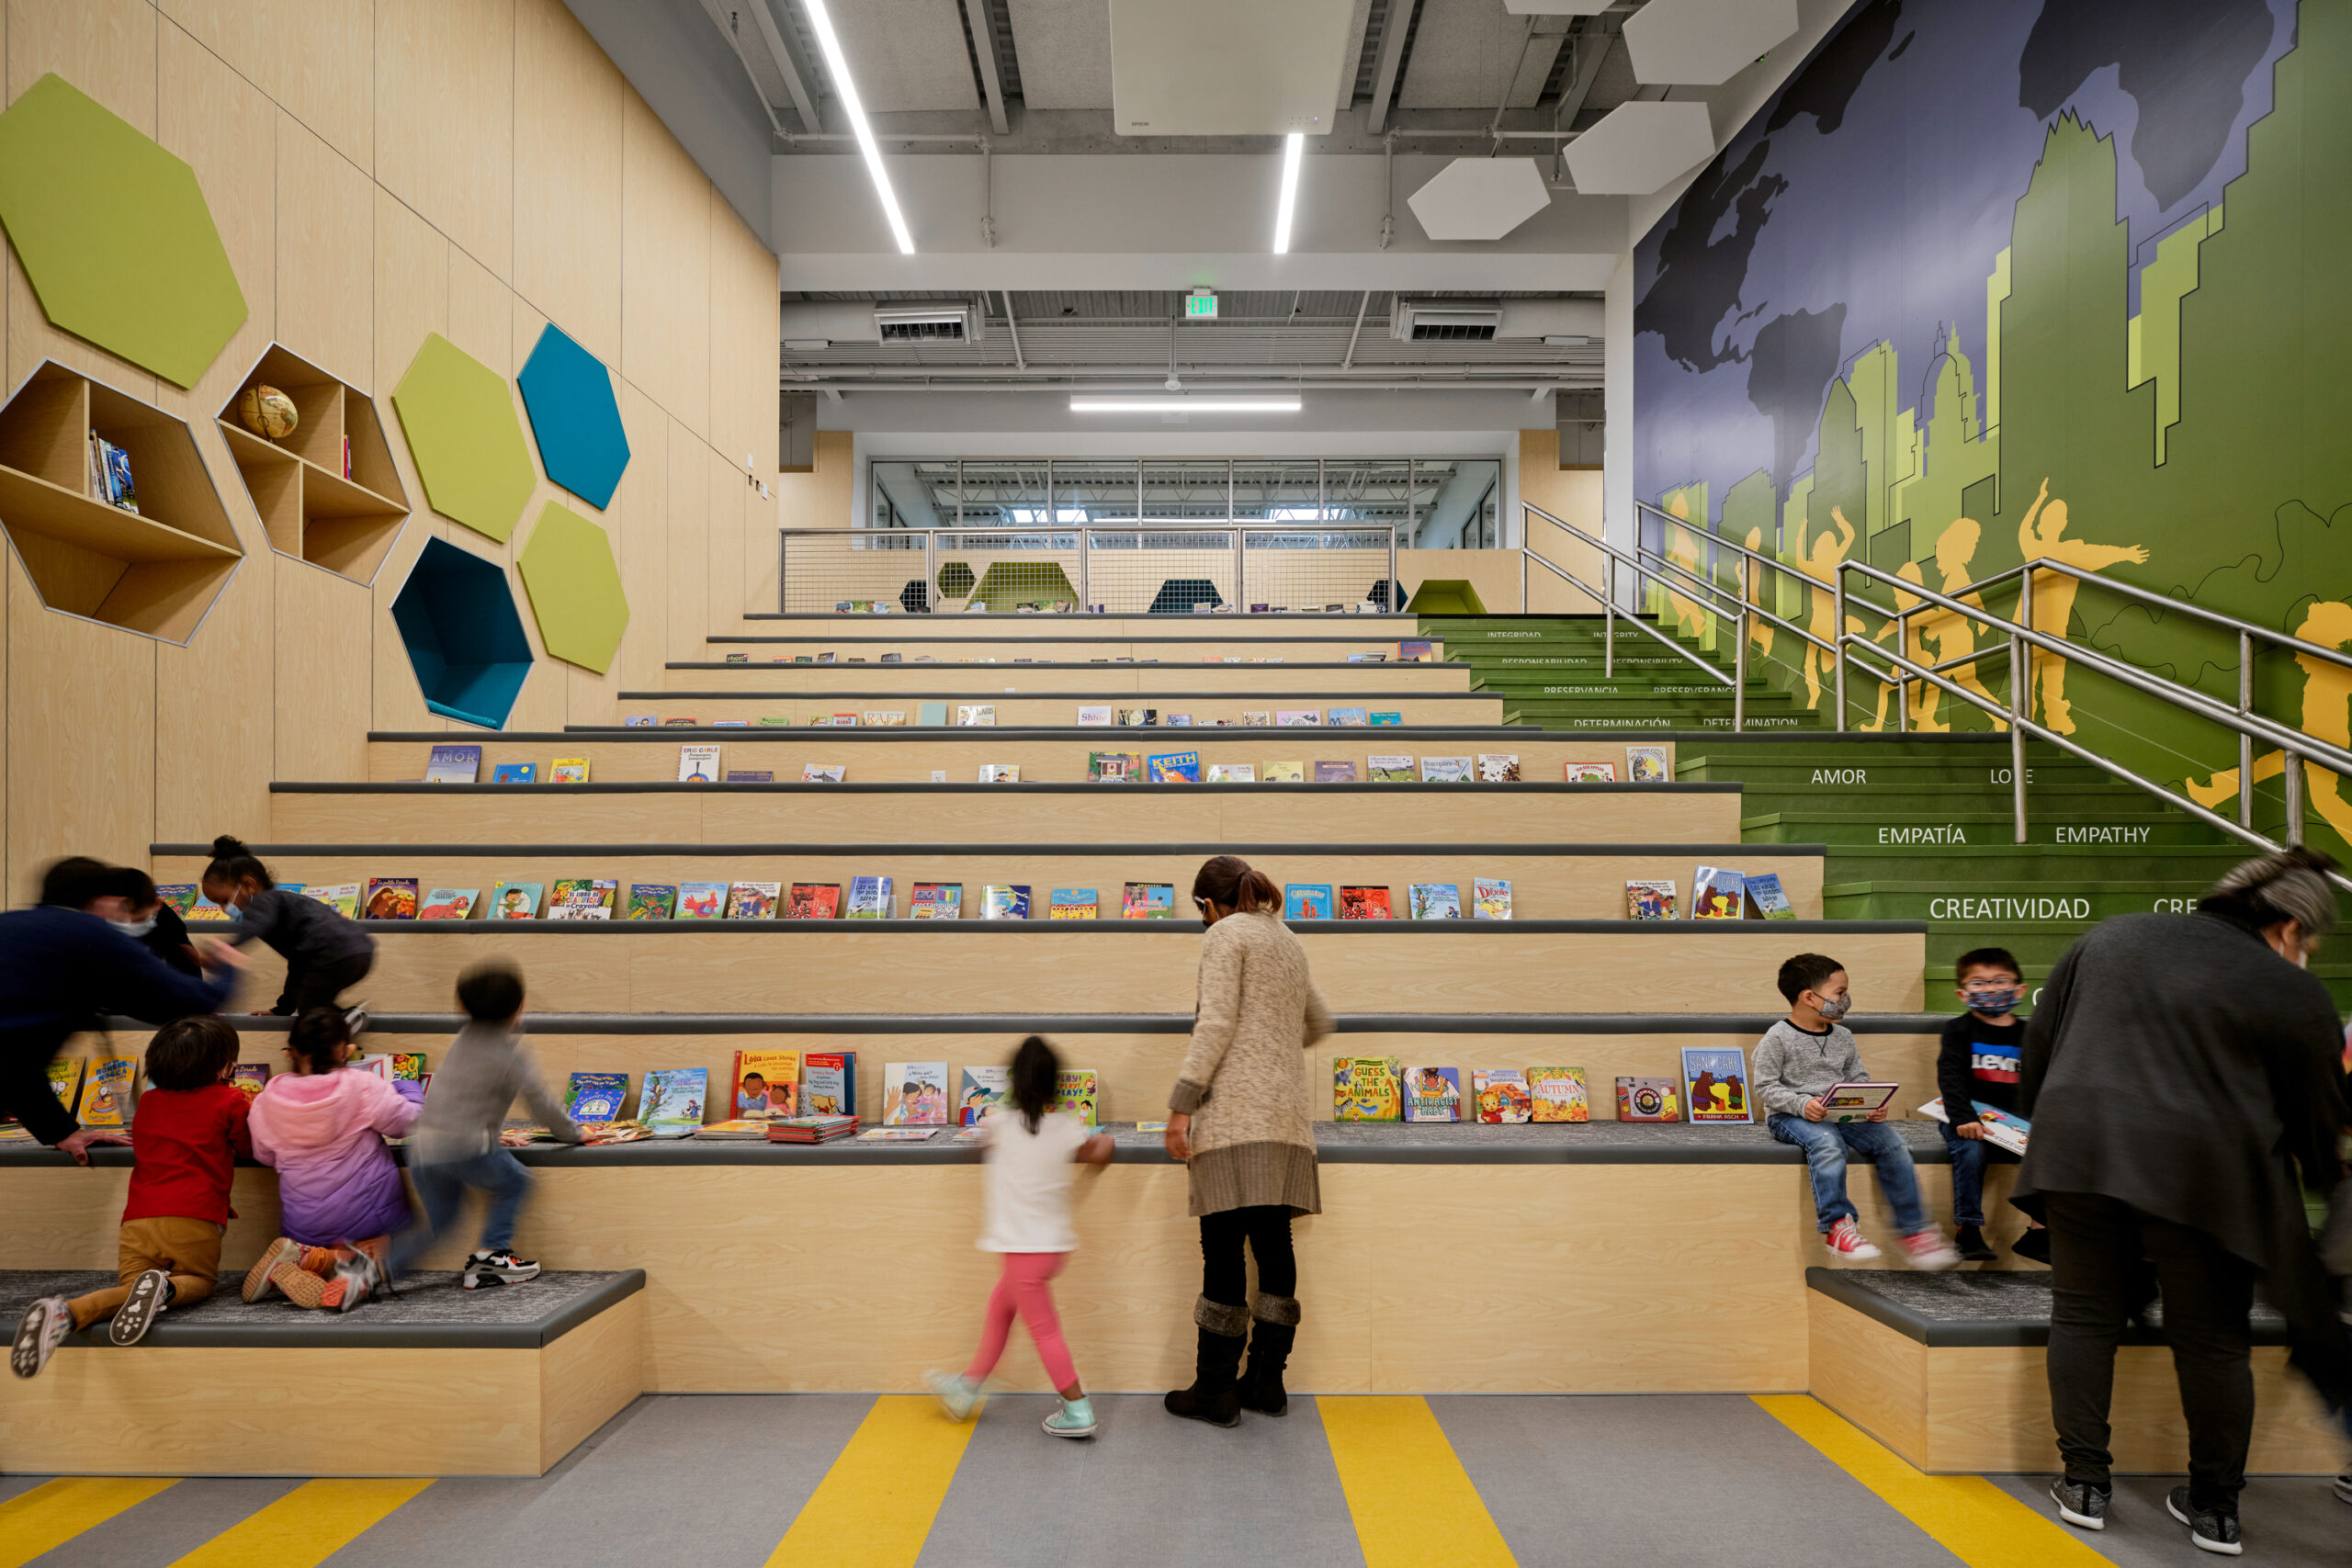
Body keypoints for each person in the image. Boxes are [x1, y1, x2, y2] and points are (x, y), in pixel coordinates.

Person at [2020, 848, 2352, 1553]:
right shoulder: (2294, 993)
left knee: (2083, 1314)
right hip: (2208, 1181)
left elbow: (2038, 1055)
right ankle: (2215, 1508)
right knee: (2213, 1341)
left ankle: (2084, 1482)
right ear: (2291, 926)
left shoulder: (2111, 936)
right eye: (2311, 941)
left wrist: (2048, 1136)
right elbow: (2318, 1128)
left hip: (2080, 1151)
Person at [1162, 854, 1333, 1427]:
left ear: (1207, 905)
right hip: (1286, 1119)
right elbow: (1319, 1022)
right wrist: (1271, 1040)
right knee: (1275, 1246)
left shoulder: (1224, 935)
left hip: (1234, 1118)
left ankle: (1214, 1390)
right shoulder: (1286, 938)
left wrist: (1181, 1105)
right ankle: (1265, 1382)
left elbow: (1214, 1025)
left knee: (1223, 1252)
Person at [9, 1017, 250, 1377]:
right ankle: (165, 1291)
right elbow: (247, 1146)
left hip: (137, 1220)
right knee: (199, 1284)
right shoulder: (231, 1099)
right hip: (195, 1218)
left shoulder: (149, 1102)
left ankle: (67, 1312)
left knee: (129, 1290)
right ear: (222, 1067)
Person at [927, 1034, 1114, 1438]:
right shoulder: (1066, 1127)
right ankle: (966, 1388)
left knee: (1045, 1330)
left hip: (1022, 1250)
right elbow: (1097, 1151)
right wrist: (1105, 1143)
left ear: (1013, 1082)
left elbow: (976, 1144)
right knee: (1000, 1310)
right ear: (1056, 1084)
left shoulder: (999, 1125)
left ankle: (1078, 1408)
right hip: (1049, 1248)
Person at [0, 856, 243, 1164]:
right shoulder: (91, 935)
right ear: (110, 902)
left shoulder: (11, 925)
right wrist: (228, 967)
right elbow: (193, 1003)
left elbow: (13, 1063)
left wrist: (60, 1131)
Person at [1754, 953, 1962, 1269]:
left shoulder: (1844, 1037)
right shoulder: (1777, 1037)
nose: (1846, 1000)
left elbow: (1857, 1078)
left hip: (1843, 1112)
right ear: (1809, 997)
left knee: (1893, 1144)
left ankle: (1914, 1231)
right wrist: (1801, 1104)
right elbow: (1765, 1086)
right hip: (1791, 1116)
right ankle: (1838, 1226)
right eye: (1839, 993)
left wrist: (1871, 1104)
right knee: (1827, 1144)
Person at [388, 961, 582, 1291]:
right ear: (519, 1008)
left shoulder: (461, 1040)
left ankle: (378, 1270)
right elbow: (541, 1106)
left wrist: (492, 1133)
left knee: (441, 1223)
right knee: (516, 1182)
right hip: (467, 1148)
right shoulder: (509, 1054)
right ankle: (493, 1255)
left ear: (462, 1007)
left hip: (426, 1147)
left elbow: (460, 1098)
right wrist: (574, 1133)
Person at [243, 1008, 419, 1310]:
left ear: (290, 1052)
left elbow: (264, 1154)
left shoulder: (267, 1098)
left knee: (336, 1248)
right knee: (390, 1251)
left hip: (302, 1223)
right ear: (347, 1051)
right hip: (366, 1215)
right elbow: (407, 1124)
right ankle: (351, 1277)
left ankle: (307, 1257)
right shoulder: (361, 1085)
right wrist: (410, 1090)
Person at [1934, 947, 2048, 1263]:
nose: (1991, 990)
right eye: (1979, 984)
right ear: (1962, 993)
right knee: (1971, 1152)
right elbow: (1951, 1079)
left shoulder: (2031, 1034)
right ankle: (1967, 1229)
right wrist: (1964, 1118)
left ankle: (2040, 1232)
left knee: (2051, 1151)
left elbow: (2040, 1082)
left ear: (2020, 989)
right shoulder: (1958, 1030)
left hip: (2016, 1122)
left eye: (2000, 981)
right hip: (1968, 1118)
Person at [199, 836, 375, 1017]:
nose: (223, 909)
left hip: (336, 952)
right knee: (314, 1001)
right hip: (358, 951)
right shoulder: (283, 909)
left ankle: (335, 1029)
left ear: (249, 885)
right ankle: (347, 1019)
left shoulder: (266, 902)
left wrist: (226, 948)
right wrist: (282, 1009)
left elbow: (255, 925)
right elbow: (298, 966)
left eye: (224, 900)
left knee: (310, 1009)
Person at [101, 866, 200, 977]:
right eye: (121, 919)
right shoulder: (95, 927)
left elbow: (186, 959)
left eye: (139, 919)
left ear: (157, 904)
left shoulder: (165, 918)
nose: (130, 923)